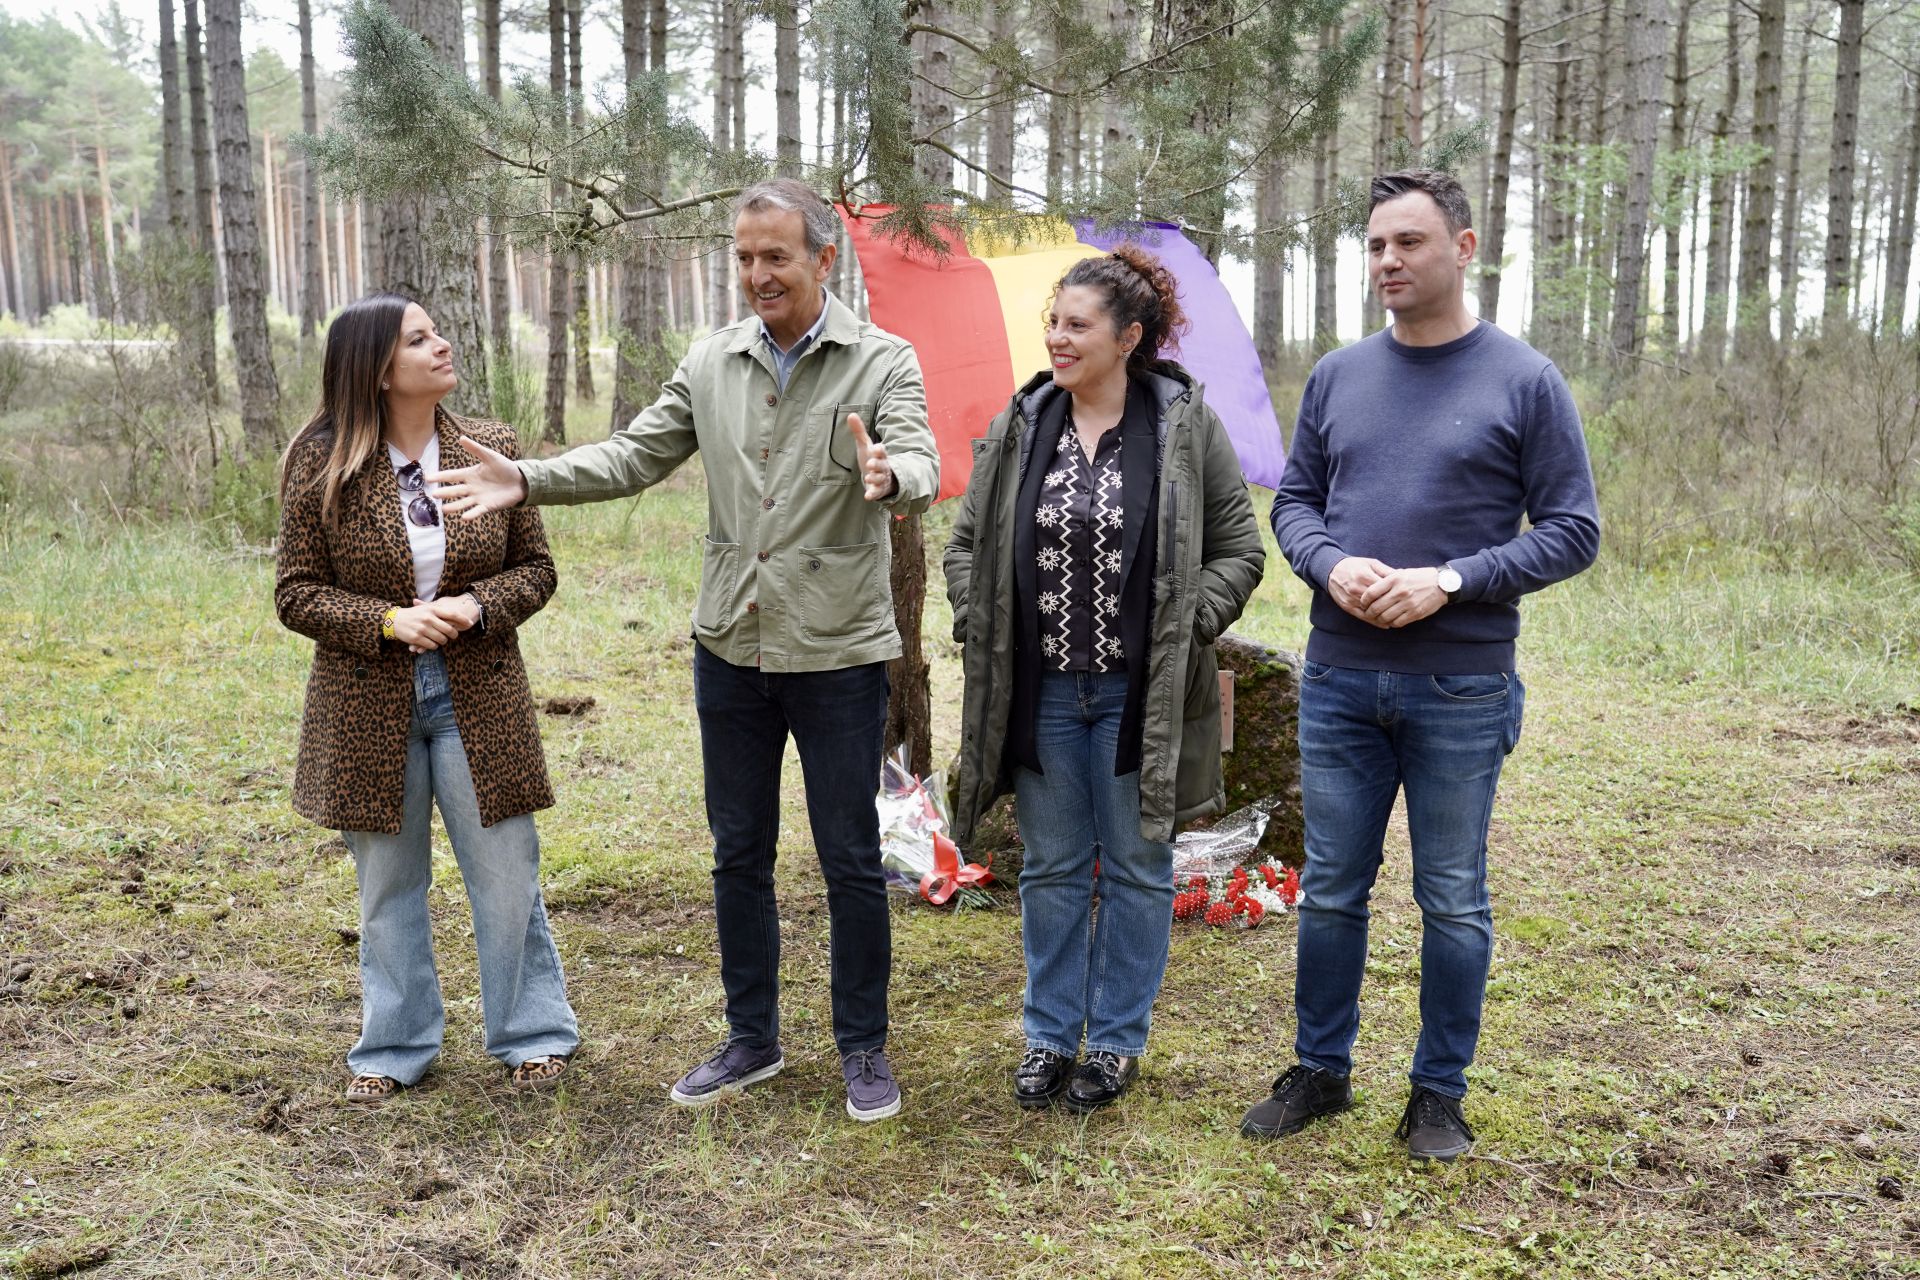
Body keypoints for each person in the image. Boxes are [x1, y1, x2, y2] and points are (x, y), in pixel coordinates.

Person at [429, 178, 939, 1122]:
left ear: (824, 259)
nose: (757, 275)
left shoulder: (881, 359)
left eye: (776, 256)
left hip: (836, 654)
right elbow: (633, 455)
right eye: (744, 258)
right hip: (730, 650)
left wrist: (891, 473)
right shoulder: (712, 359)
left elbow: (921, 459)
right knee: (737, 849)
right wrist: (528, 480)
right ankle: (752, 1038)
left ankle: (862, 1048)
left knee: (849, 856)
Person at [1245, 170, 1600, 1159]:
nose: (1389, 261)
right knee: (1331, 886)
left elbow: (1574, 530)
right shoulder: (1337, 375)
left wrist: (1452, 577)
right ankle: (1321, 1069)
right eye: (1376, 246)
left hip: (1461, 682)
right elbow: (1295, 506)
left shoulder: (1524, 379)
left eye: (1408, 242)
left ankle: (1438, 1094)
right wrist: (1330, 561)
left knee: (1451, 894)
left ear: (1465, 246)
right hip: (1341, 677)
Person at [944, 247, 1265, 1113]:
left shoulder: (1184, 429)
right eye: (1053, 322)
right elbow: (967, 545)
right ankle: (1050, 1034)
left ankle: (1116, 1041)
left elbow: (1240, 549)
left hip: (1141, 698)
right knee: (1050, 867)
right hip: (1042, 690)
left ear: (1129, 338)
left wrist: (1186, 622)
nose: (1056, 338)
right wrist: (981, 625)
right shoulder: (1022, 422)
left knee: (1135, 866)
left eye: (1076, 325)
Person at [275, 292, 580, 1103]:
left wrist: (479, 606)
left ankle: (533, 1034)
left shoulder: (490, 449)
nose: (442, 345)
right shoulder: (322, 461)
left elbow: (537, 570)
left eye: (436, 332)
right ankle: (395, 1047)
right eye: (420, 339)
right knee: (387, 884)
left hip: (478, 692)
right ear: (378, 369)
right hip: (366, 702)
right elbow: (296, 593)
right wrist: (387, 621)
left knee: (507, 872)